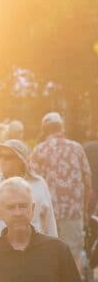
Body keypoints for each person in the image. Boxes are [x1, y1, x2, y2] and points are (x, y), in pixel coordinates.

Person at [30, 112, 92, 273]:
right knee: (73, 255)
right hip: (73, 212)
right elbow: (87, 183)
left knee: (48, 256)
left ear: (44, 130)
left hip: (47, 212)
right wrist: (84, 212)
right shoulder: (77, 148)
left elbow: (31, 183)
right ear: (62, 128)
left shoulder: (39, 150)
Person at [0, 139, 57, 238]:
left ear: (21, 160)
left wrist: (54, 250)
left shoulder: (39, 183)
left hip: (32, 249)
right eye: (0, 156)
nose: (2, 160)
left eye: (8, 157)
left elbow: (49, 221)